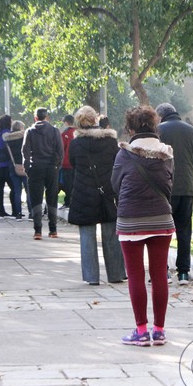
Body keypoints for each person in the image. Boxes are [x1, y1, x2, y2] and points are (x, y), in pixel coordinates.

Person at [111, 106, 174, 346]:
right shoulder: (167, 152)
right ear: (154, 126)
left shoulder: (124, 153)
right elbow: (170, 184)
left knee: (136, 274)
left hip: (130, 220)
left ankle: (141, 331)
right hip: (161, 217)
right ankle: (159, 330)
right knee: (159, 274)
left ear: (130, 128)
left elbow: (115, 184)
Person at [68, 106, 127, 286]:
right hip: (107, 191)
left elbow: (73, 163)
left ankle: (91, 276)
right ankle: (116, 273)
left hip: (83, 192)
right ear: (95, 120)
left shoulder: (76, 143)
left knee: (87, 234)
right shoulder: (110, 141)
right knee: (111, 234)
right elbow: (117, 163)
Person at [154, 103, 193, 285]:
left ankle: (163, 272)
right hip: (187, 188)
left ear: (160, 116)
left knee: (162, 231)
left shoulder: (158, 130)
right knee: (184, 231)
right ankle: (183, 272)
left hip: (164, 188)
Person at [22, 107, 63, 239]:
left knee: (36, 199)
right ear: (47, 117)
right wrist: (57, 166)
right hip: (51, 167)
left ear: (35, 118)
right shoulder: (54, 131)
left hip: (35, 167)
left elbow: (25, 152)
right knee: (52, 198)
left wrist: (27, 168)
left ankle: (38, 231)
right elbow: (60, 151)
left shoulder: (29, 132)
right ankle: (53, 229)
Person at [3, 120, 30, 219]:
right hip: (25, 166)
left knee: (16, 190)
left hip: (13, 166)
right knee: (28, 190)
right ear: (21, 128)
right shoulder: (25, 137)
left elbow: (6, 154)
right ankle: (31, 212)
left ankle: (18, 213)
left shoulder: (7, 139)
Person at [59, 114, 76, 209]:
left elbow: (62, 149)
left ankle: (68, 202)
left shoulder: (65, 134)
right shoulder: (78, 132)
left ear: (66, 122)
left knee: (67, 184)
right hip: (76, 163)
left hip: (66, 163)